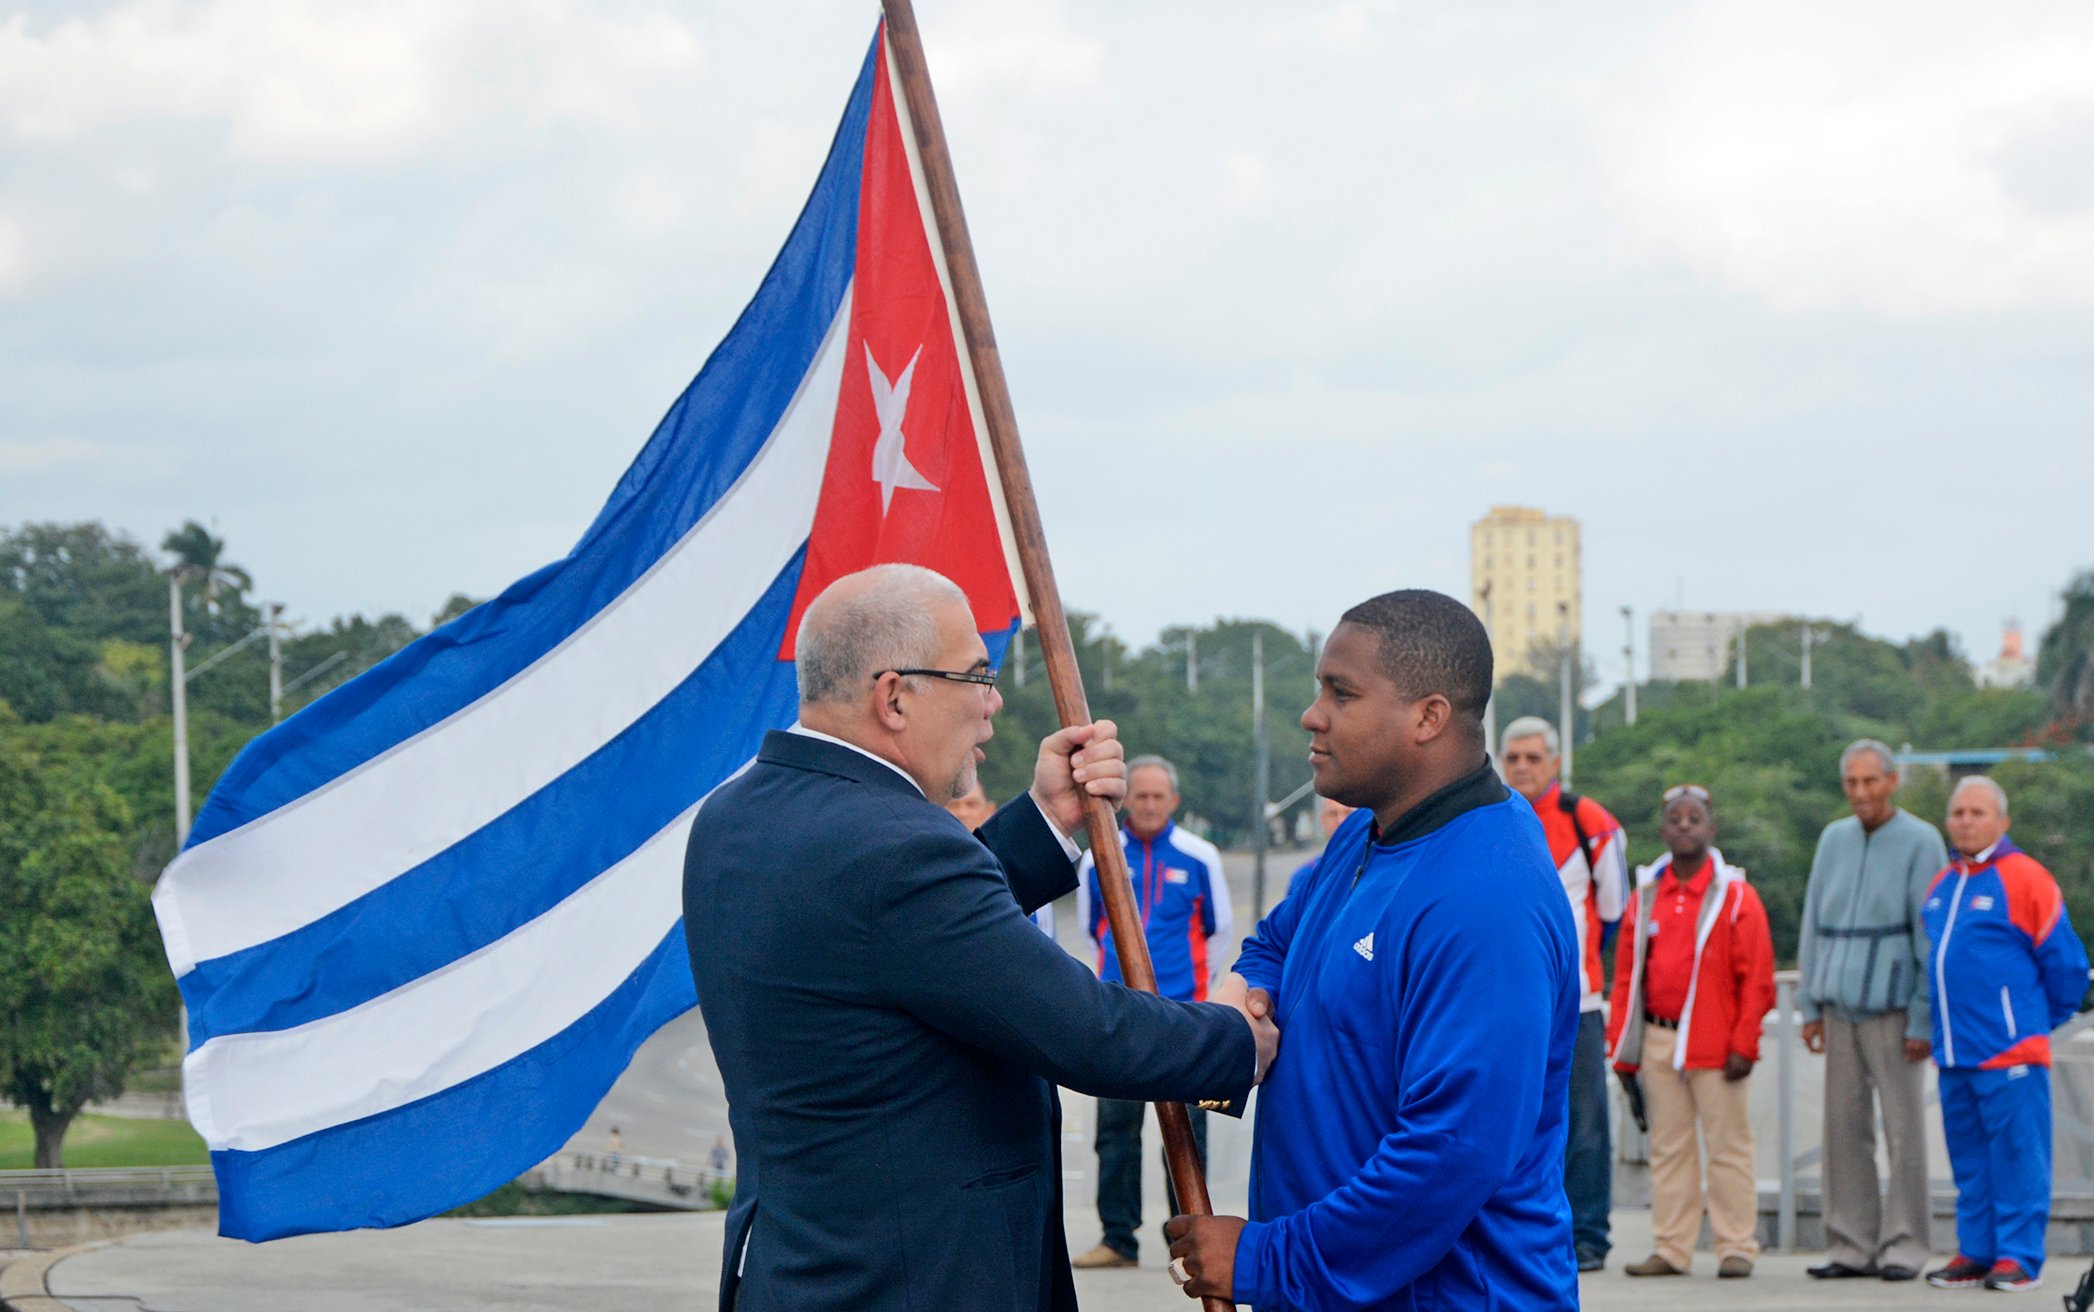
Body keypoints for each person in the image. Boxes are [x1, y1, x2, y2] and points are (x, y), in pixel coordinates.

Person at [683, 564, 1277, 1312]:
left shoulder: (735, 817)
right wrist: (1236, 1042)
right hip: (917, 1281)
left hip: (797, 1271)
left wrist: (1045, 818)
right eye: (975, 676)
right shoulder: (898, 848)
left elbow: (904, 941)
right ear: (894, 695)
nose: (993, 705)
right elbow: (1087, 1031)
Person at [1164, 589, 1581, 1310]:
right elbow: (1274, 945)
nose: (1312, 714)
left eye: (1341, 693)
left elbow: (1449, 1157)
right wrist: (1241, 1016)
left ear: (1428, 716)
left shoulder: (1487, 900)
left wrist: (1265, 1259)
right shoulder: (1364, 834)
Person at [1922, 776, 2089, 1294]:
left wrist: (2032, 1023)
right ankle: (1977, 1251)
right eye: (1958, 813)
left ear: (2002, 821)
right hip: (1955, 1053)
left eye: (1977, 813)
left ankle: (2018, 1256)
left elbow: (2068, 967)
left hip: (2010, 1053)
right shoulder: (1943, 884)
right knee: (1970, 1162)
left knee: (2018, 1157)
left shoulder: (2026, 879)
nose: (1966, 822)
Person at [1606, 784, 1776, 1279]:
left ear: (1710, 828)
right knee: (1669, 1149)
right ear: (1662, 830)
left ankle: (1734, 1246)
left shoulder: (1735, 895)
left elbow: (1759, 978)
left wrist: (1745, 1043)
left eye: (1694, 817)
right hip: (1659, 1040)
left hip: (1716, 1045)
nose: (1684, 824)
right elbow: (1625, 977)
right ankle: (1673, 1247)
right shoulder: (1648, 893)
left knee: (1728, 1149)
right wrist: (1623, 1050)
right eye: (1675, 818)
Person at [1070, 755, 1232, 1270]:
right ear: (1124, 798)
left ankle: (1188, 1244)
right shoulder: (1099, 855)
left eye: (1158, 796)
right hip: (1115, 1018)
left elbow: (1219, 930)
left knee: (1187, 1133)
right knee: (1115, 1131)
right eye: (1139, 795)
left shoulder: (1200, 855)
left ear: (1174, 801)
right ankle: (1118, 1238)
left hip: (1186, 1019)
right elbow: (1089, 925)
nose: (1148, 804)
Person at [1796, 738, 1947, 1282]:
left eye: (1871, 781)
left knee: (1904, 1130)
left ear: (1891, 782)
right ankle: (1850, 1243)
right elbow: (1813, 921)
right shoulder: (1833, 838)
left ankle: (1905, 1244)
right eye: (1852, 783)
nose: (1861, 793)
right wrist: (1808, 1003)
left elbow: (1928, 935)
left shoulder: (1921, 841)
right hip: (1839, 1005)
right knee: (1842, 1129)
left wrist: (1923, 1016)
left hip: (1894, 1009)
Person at [1500, 715, 1629, 1273]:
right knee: (1510, 1118)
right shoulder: (1491, 817)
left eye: (1533, 757)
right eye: (1513, 758)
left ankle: (1589, 1236)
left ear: (1555, 762)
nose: (1523, 767)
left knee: (1584, 1123)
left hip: (1577, 1001)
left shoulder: (1588, 820)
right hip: (1505, 1002)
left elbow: (1616, 910)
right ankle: (1524, 1231)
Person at [948, 779, 1055, 937]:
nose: (963, 813)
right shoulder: (934, 871)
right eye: (953, 806)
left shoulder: (1022, 874)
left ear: (990, 810)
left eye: (972, 804)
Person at [1284, 796, 1355, 899]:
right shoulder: (1306, 876)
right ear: (1322, 820)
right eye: (1332, 814)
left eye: (1348, 813)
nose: (1340, 820)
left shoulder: (1375, 868)